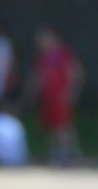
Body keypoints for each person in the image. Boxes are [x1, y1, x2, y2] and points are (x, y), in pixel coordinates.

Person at [28, 27, 85, 167]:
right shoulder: (42, 58)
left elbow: (76, 73)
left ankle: (70, 153)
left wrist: (71, 91)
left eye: (44, 39)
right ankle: (55, 153)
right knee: (50, 126)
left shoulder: (65, 55)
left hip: (60, 96)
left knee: (63, 125)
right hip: (47, 97)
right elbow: (38, 77)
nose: (41, 44)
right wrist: (33, 93)